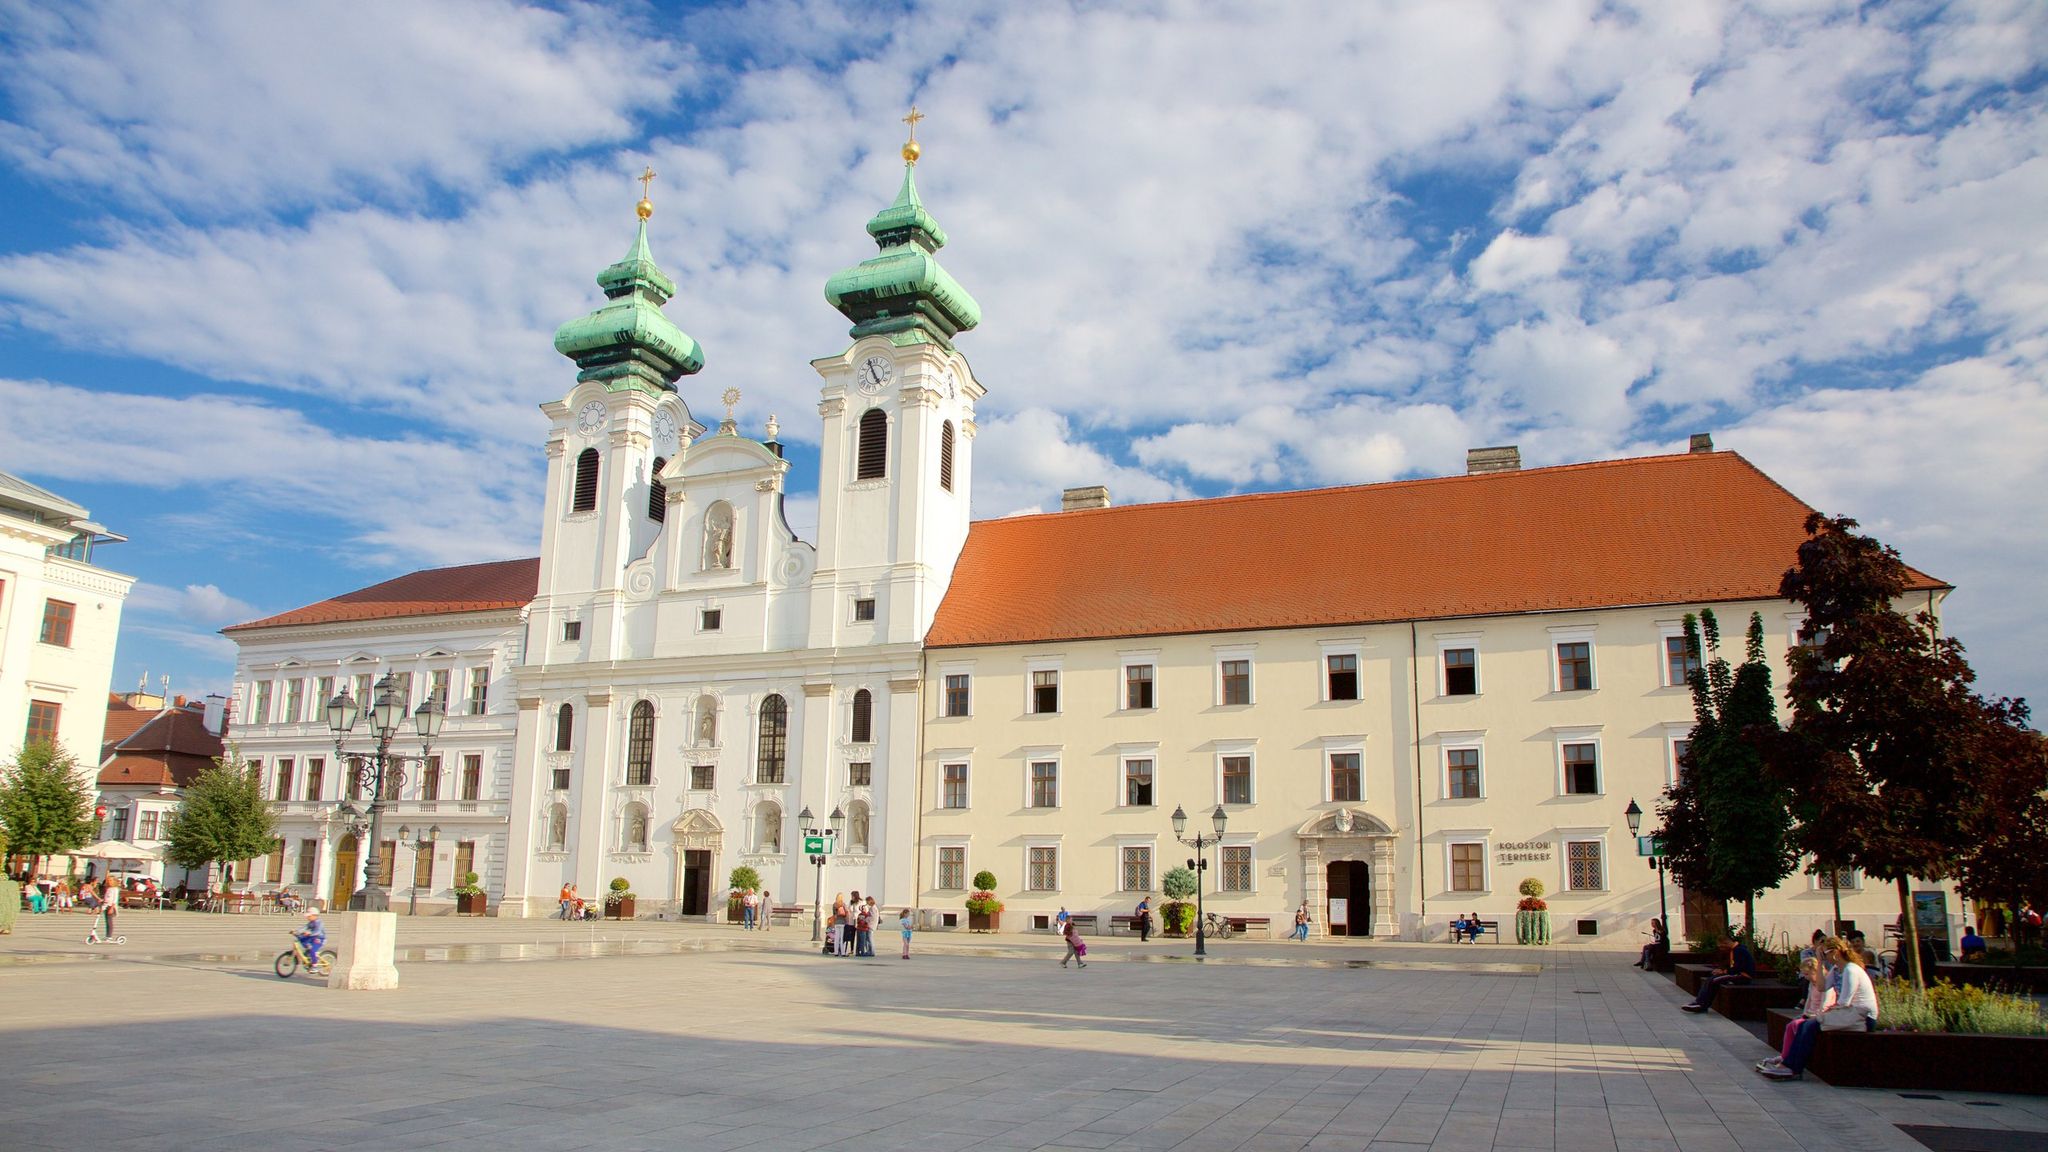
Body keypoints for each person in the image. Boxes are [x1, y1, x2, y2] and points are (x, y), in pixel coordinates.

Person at [1761, 939, 1878, 1080]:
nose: (1823, 957)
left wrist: (1826, 1013)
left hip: (1862, 1016)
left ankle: (1793, 1068)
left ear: (1835, 953)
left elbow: (1845, 1001)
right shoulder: (1836, 970)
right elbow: (1822, 987)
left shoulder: (1850, 970)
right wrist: (1820, 964)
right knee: (1804, 1025)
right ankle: (1789, 1065)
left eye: (1824, 954)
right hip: (1848, 1013)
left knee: (1810, 1025)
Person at [1757, 954, 1835, 1073]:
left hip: (1819, 1015)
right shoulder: (1812, 984)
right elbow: (1809, 1000)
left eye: (1808, 974)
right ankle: (1785, 1056)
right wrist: (1805, 1013)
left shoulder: (1825, 984)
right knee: (1791, 1025)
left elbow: (1826, 1003)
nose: (1806, 977)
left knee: (1795, 1026)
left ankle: (1787, 1060)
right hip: (1810, 1014)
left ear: (1815, 971)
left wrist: (1816, 1015)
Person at [1681, 937, 1756, 1013]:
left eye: (1721, 947)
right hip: (1737, 974)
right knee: (1711, 979)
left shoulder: (1739, 951)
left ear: (1726, 943)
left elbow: (1738, 967)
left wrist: (1724, 971)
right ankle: (1700, 1002)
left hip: (1743, 976)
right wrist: (1721, 970)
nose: (1721, 949)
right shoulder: (1734, 950)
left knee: (1714, 980)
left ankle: (1702, 1004)